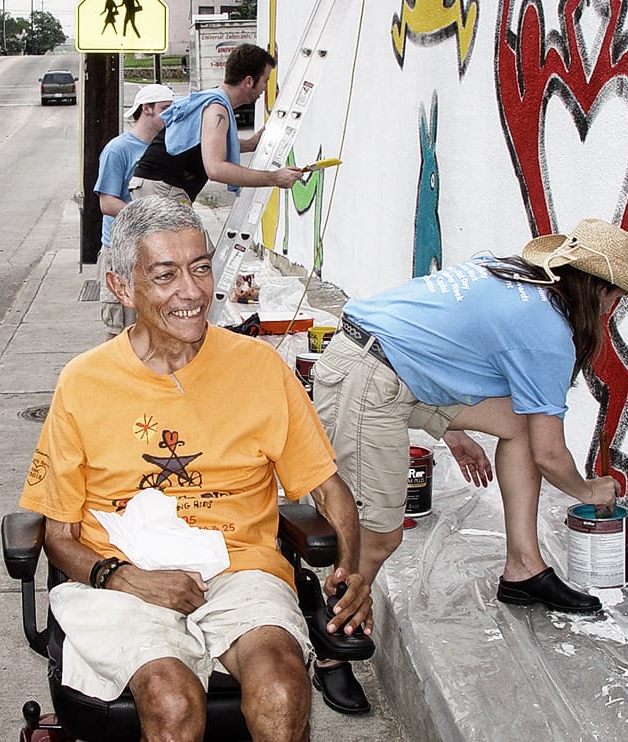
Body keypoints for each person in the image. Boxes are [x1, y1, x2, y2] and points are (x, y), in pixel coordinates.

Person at [20, 196, 373, 740]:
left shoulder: (259, 368)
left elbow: (327, 489)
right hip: (123, 576)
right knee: (171, 701)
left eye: (201, 268)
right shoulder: (83, 382)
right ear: (122, 288)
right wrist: (124, 577)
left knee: (282, 686)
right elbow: (58, 533)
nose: (191, 291)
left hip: (240, 571)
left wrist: (351, 571)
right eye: (164, 275)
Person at [313, 218, 628, 618]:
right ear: (601, 290)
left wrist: (452, 433)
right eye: (618, 296)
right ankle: (333, 651)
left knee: (519, 424)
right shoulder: (547, 331)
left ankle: (524, 568)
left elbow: (437, 339)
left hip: (392, 363)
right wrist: (587, 491)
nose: (612, 307)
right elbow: (549, 454)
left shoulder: (514, 277)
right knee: (375, 537)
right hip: (368, 374)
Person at [131, 44, 303, 206]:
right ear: (249, 81)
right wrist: (274, 178)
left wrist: (250, 144)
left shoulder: (212, 99)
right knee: (195, 239)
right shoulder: (216, 109)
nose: (265, 88)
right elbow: (216, 169)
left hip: (156, 187)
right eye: (265, 80)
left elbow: (208, 141)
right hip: (163, 190)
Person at [94, 83, 174, 338]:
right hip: (121, 254)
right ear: (147, 109)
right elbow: (107, 203)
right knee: (122, 333)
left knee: (152, 330)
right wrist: (149, 214)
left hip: (154, 253)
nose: (171, 116)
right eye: (165, 109)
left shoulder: (165, 148)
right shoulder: (118, 149)